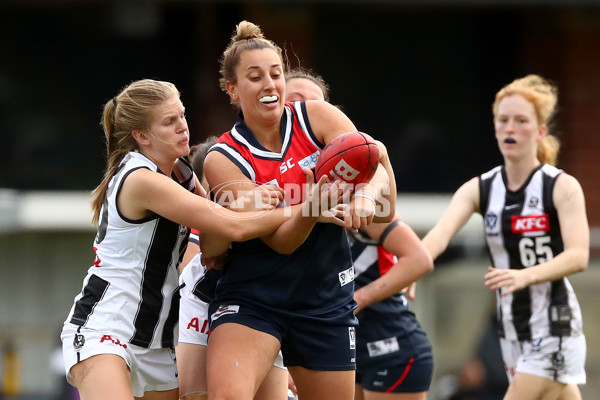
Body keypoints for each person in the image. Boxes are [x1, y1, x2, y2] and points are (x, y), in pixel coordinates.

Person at [60, 79, 338, 400]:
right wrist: (307, 208)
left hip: (159, 342)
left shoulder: (182, 173)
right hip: (105, 329)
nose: (182, 127)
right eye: (169, 122)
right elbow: (232, 225)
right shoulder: (140, 178)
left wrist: (256, 200)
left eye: (182, 115)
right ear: (141, 136)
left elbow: (217, 231)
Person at [202, 21, 396, 400]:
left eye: (276, 74)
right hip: (254, 298)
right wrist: (311, 209)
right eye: (255, 77)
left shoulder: (318, 117)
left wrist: (365, 197)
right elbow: (281, 243)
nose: (270, 85)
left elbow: (379, 172)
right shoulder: (222, 158)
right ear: (232, 89)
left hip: (323, 298)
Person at [422, 74, 588, 400]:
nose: (510, 128)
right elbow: (438, 236)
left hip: (554, 325)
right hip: (511, 331)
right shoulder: (480, 188)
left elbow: (579, 256)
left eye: (521, 120)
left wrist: (525, 276)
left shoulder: (561, 186)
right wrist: (408, 268)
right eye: (503, 120)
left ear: (540, 131)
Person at [286, 68, 435, 400]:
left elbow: (419, 258)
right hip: (328, 345)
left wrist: (356, 300)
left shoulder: (353, 192)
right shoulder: (275, 187)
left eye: (313, 105)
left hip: (388, 340)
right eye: (293, 103)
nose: (303, 113)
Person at [177, 137, 292, 400]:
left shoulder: (270, 200)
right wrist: (306, 210)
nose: (226, 199)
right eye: (216, 191)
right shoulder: (205, 221)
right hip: (204, 296)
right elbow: (205, 255)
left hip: (259, 297)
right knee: (196, 395)